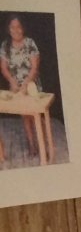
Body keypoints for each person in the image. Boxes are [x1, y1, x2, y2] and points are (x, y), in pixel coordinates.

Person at [0, 15, 42, 157]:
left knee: (35, 114)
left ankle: (43, 145)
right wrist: (12, 81)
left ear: (23, 28)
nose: (15, 30)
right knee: (25, 115)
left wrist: (25, 84)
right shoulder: (5, 45)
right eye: (12, 27)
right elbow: (4, 67)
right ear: (8, 29)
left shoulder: (30, 43)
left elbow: (35, 67)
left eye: (18, 27)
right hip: (15, 86)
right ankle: (32, 145)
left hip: (31, 84)